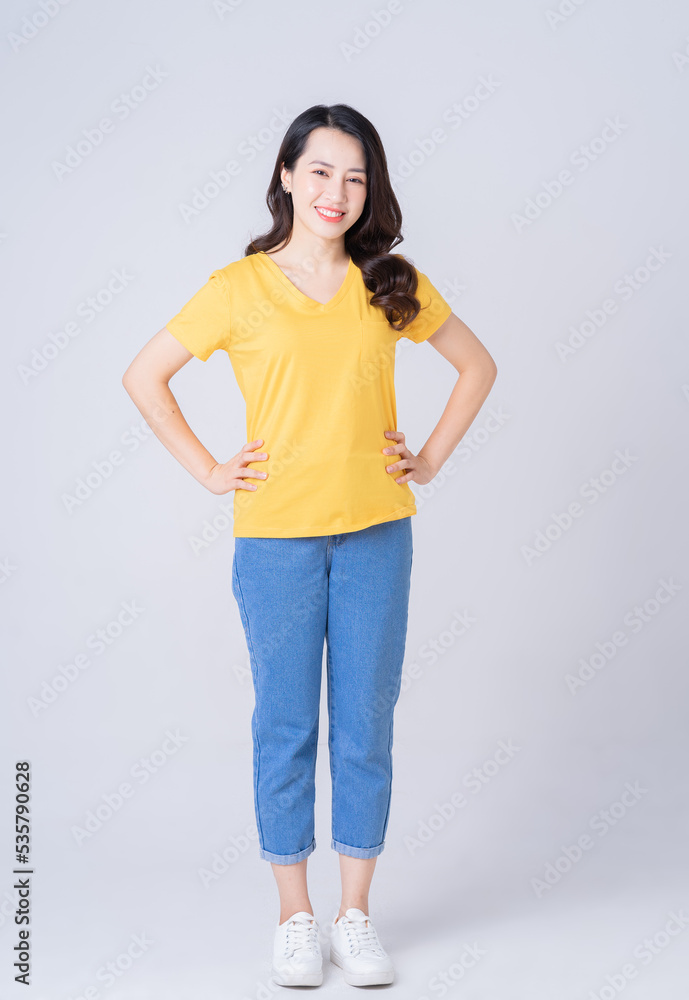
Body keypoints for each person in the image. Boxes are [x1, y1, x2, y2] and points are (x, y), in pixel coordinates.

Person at [122, 103, 497, 988]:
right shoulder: (238, 288)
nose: (337, 192)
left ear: (370, 192)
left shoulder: (390, 280)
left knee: (364, 727)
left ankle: (355, 915)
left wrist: (430, 457)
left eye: (355, 176)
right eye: (321, 171)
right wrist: (211, 469)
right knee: (285, 728)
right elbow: (144, 377)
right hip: (276, 545)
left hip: (376, 536)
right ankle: (295, 917)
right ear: (287, 175)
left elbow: (477, 365)